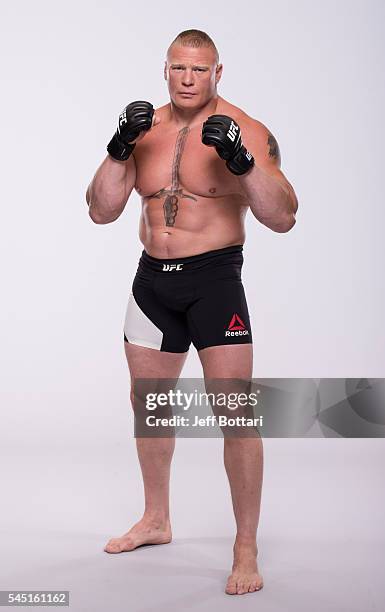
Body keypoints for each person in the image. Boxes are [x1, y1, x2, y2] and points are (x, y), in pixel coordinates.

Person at [86, 29, 298, 596]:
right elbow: (101, 211)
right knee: (148, 404)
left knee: (236, 413)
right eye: (179, 68)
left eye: (199, 70)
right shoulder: (144, 130)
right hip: (152, 284)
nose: (187, 79)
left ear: (217, 73)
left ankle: (245, 545)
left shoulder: (245, 130)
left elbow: (283, 216)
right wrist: (117, 145)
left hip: (215, 283)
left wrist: (241, 160)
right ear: (165, 69)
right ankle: (156, 519)